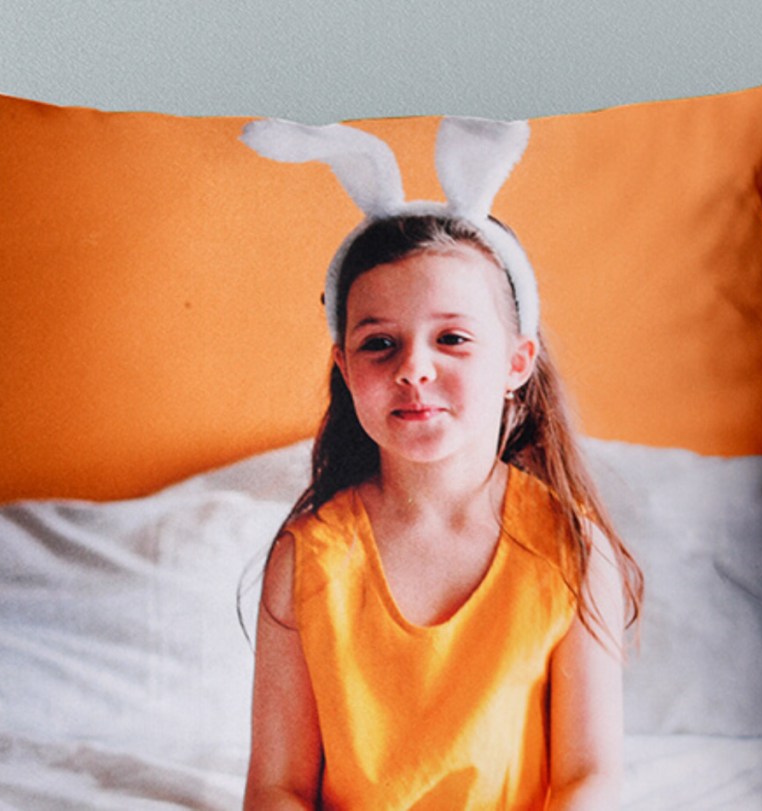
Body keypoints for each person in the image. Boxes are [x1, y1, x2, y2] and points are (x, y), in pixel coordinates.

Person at [239, 118, 643, 810]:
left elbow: (590, 776)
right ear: (344, 367)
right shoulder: (307, 558)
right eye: (379, 343)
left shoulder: (572, 551)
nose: (414, 369)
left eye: (452, 337)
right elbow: (276, 786)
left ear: (517, 361)